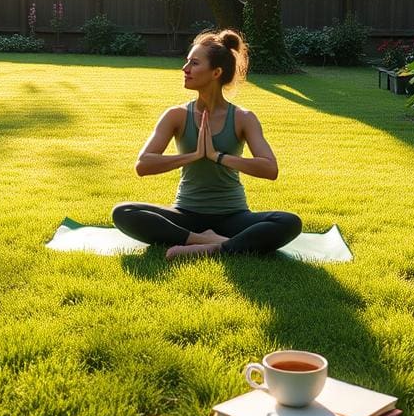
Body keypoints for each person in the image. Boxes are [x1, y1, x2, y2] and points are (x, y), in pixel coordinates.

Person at [112, 29, 302, 259]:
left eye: (194, 63)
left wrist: (217, 156)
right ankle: (206, 241)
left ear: (216, 72)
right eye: (187, 62)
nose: (185, 69)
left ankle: (213, 248)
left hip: (233, 215)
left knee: (289, 222)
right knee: (124, 212)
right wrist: (193, 155)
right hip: (186, 214)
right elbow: (143, 165)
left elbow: (270, 169)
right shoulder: (176, 115)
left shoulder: (243, 117)